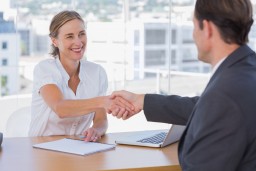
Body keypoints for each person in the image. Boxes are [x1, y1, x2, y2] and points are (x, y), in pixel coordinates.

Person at [110, 0, 256, 170]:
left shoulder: (224, 95)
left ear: (207, 28)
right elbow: (204, 108)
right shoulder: (246, 69)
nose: (193, 35)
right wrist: (142, 100)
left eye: (194, 26)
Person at [28, 10, 130, 142]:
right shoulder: (45, 69)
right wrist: (104, 101)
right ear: (55, 41)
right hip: (41, 150)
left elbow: (101, 120)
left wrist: (96, 130)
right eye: (69, 36)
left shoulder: (97, 72)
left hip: (79, 147)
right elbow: (61, 108)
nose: (78, 42)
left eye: (81, 34)